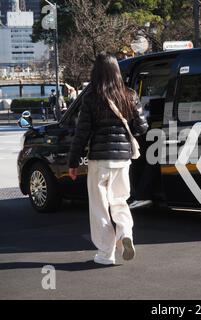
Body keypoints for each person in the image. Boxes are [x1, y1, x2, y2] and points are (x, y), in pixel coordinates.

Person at [68, 52, 148, 265]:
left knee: (100, 208)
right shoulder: (129, 95)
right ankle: (125, 234)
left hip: (100, 161)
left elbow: (81, 133)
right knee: (120, 201)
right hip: (122, 160)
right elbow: (141, 127)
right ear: (116, 71)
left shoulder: (92, 97)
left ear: (96, 73)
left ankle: (106, 254)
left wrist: (73, 162)